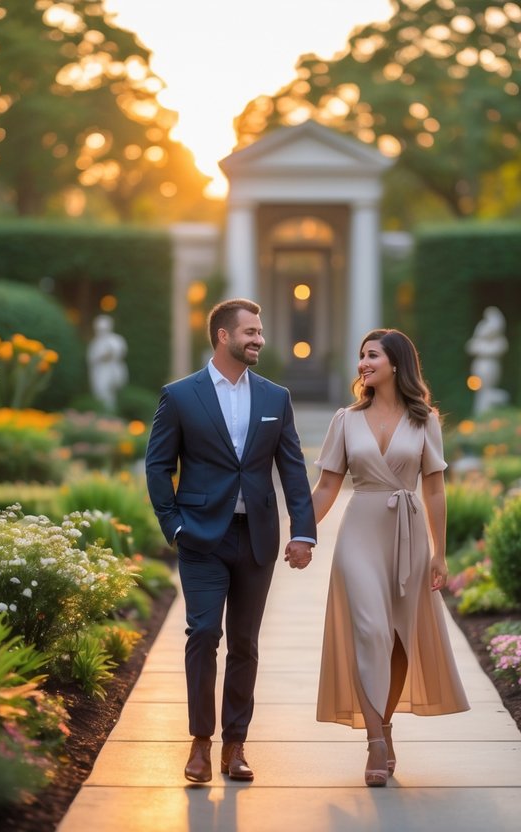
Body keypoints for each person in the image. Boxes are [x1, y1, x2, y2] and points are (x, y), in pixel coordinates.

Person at [145, 298, 317, 784]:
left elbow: (292, 468)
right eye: (250, 331)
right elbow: (158, 465)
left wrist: (303, 531)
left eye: (260, 331)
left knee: (245, 643)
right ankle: (200, 743)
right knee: (203, 635)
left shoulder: (274, 397)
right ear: (223, 336)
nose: (259, 338)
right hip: (201, 538)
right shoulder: (180, 396)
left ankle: (235, 745)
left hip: (257, 538)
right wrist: (172, 525)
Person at [310, 328, 469, 787]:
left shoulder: (425, 421)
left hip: (408, 535)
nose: (363, 363)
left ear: (396, 363)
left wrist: (440, 553)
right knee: (370, 630)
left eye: (372, 355)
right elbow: (326, 487)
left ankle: (384, 726)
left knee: (399, 639)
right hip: (359, 532)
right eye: (361, 356)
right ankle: (375, 743)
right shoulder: (346, 419)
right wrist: (302, 534)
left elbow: (435, 489)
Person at [87, 314, 128, 412]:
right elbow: (91, 358)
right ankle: (102, 413)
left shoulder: (115, 340)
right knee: (99, 392)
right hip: (99, 371)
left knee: (109, 394)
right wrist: (101, 357)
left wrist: (110, 355)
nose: (101, 331)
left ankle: (110, 414)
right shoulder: (95, 342)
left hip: (111, 370)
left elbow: (120, 353)